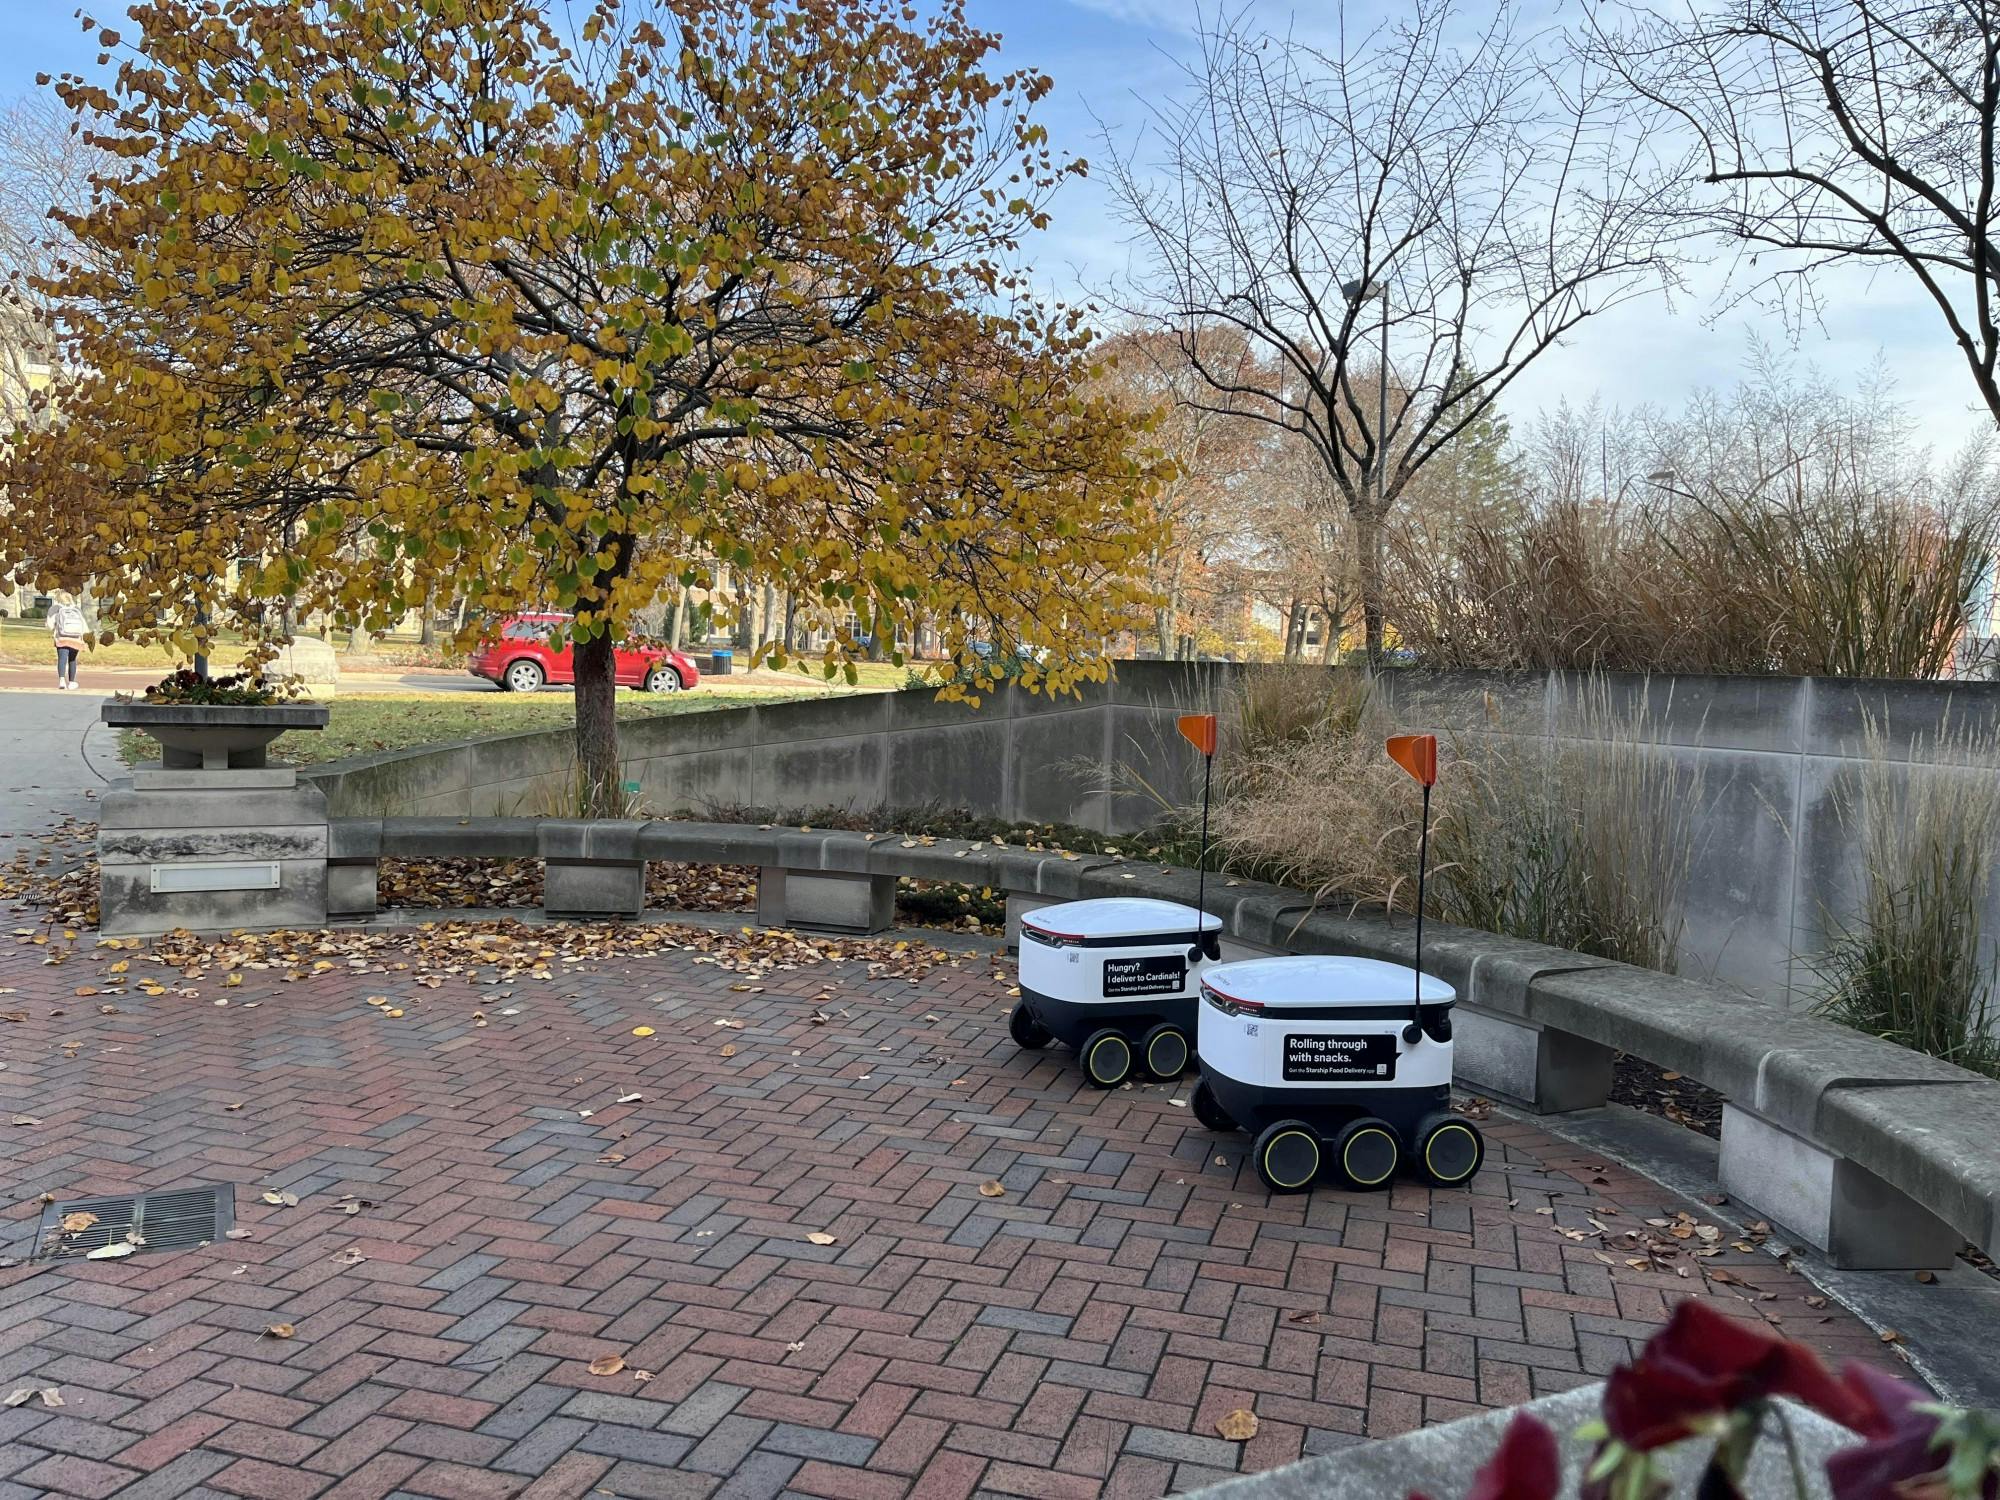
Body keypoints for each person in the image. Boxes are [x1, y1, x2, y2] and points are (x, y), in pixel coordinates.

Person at [47, 591, 86, 691]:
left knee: (62, 659)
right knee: (72, 660)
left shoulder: (55, 608)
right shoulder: (76, 608)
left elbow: (50, 625)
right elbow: (83, 624)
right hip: (75, 638)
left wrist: (52, 629)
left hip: (61, 637)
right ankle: (72, 682)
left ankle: (62, 681)